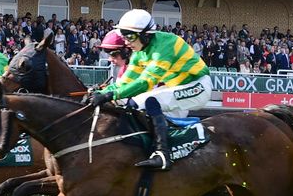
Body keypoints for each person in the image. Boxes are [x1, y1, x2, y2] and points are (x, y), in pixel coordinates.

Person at [89, 9, 212, 170]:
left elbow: (146, 82)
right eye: (124, 36)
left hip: (198, 86)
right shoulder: (139, 52)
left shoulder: (165, 45)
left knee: (148, 100)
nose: (126, 42)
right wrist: (101, 93)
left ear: (146, 34)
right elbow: (124, 83)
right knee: (130, 101)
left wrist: (111, 94)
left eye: (130, 36)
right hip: (178, 86)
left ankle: (162, 153)